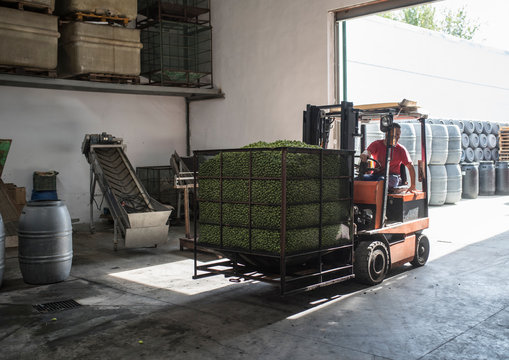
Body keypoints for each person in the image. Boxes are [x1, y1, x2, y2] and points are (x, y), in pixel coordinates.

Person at [359, 123, 416, 192]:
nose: (397, 137)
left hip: (392, 177)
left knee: (383, 183)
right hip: (376, 175)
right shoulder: (377, 144)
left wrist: (412, 185)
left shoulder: (401, 149)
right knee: (358, 179)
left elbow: (410, 167)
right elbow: (368, 151)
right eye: (394, 135)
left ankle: (379, 202)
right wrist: (365, 154)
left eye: (398, 135)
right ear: (387, 134)